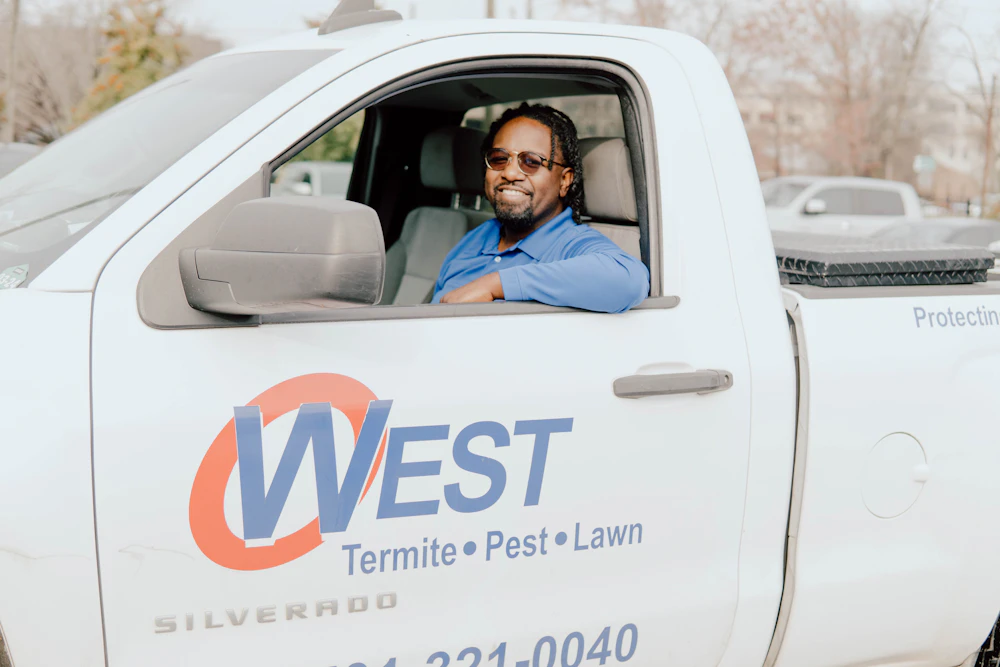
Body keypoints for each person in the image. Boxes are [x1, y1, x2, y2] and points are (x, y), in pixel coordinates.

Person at [431, 103, 650, 313]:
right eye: (499, 159)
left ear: (564, 181)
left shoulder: (571, 245)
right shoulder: (474, 239)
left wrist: (496, 284)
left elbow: (628, 279)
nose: (510, 173)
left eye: (531, 161)